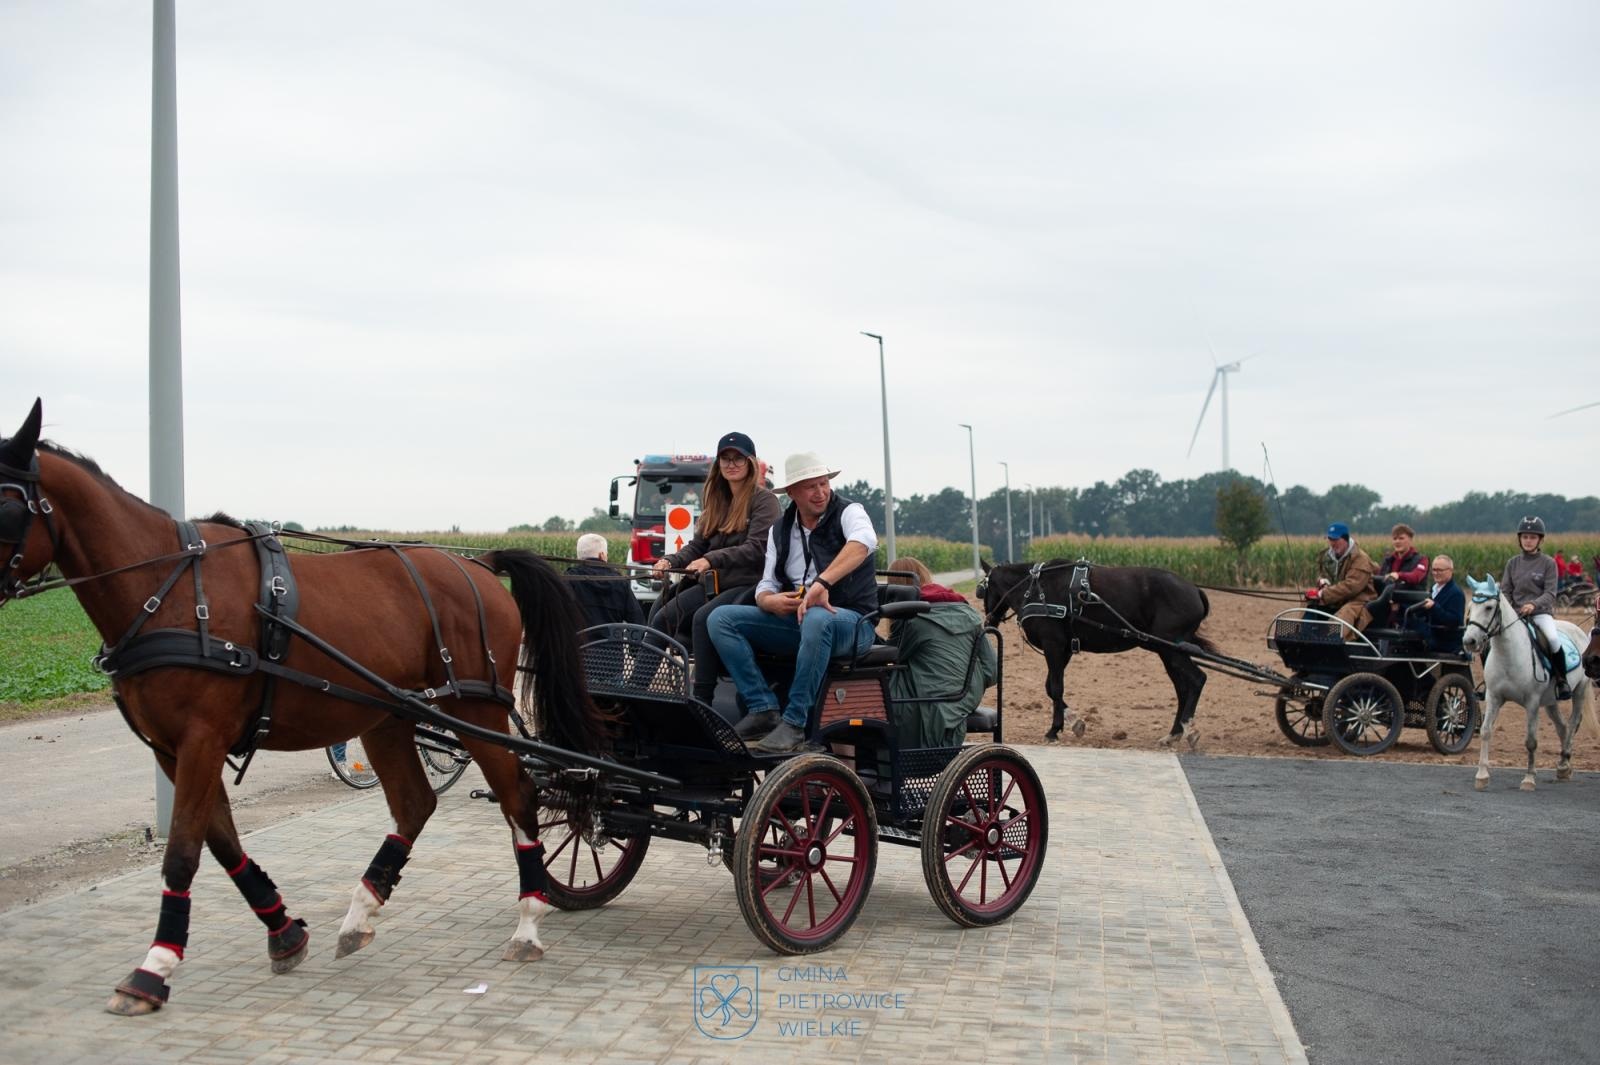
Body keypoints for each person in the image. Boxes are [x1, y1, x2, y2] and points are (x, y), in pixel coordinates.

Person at [706, 452, 880, 754]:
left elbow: (863, 542)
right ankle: (762, 708)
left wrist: (822, 584)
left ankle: (795, 723)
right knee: (720, 618)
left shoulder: (850, 512)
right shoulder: (780, 529)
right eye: (811, 486)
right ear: (792, 492)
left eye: (823, 483)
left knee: (817, 617)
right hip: (802, 622)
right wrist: (768, 601)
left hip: (853, 623)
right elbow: (767, 583)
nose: (820, 492)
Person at [646, 432, 781, 704]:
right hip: (713, 584)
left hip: (748, 584)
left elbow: (757, 548)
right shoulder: (716, 502)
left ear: (750, 463)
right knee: (662, 618)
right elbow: (697, 546)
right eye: (725, 459)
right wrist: (670, 561)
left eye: (738, 458)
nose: (731, 464)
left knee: (702, 618)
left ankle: (702, 700)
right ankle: (634, 689)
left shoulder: (765, 501)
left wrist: (711, 559)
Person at [882, 557, 998, 748]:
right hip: (964, 698)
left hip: (926, 701)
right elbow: (992, 670)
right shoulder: (969, 613)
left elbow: (889, 659)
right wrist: (965, 690)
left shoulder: (911, 619)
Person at [1501, 516, 1572, 699]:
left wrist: (1533, 604)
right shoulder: (1512, 563)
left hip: (1540, 614)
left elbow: (1550, 593)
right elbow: (1505, 591)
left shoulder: (1548, 563)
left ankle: (1561, 680)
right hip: (1515, 614)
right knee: (1492, 639)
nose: (1528, 541)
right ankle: (1490, 682)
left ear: (1540, 540)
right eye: (1525, 537)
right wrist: (1511, 609)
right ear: (1519, 539)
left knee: (1553, 639)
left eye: (1532, 537)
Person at [1307, 522, 1376, 637]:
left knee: (1346, 612)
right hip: (1338, 598)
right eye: (1330, 539)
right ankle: (1303, 634)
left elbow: (1351, 587)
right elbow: (1322, 573)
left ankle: (1330, 639)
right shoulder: (1327, 556)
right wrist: (1323, 582)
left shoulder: (1361, 559)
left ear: (1346, 539)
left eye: (1335, 539)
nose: (1332, 543)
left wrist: (1323, 594)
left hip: (1359, 600)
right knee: (1310, 602)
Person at [566, 532, 645, 631]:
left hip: (579, 640)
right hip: (612, 641)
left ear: (579, 556)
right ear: (602, 555)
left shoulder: (569, 579)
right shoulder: (619, 581)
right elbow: (637, 621)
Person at [1366, 523, 1430, 627]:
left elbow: (1416, 576)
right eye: (1395, 539)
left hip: (1410, 608)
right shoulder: (1388, 561)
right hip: (1386, 605)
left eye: (1401, 538)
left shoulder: (1421, 559)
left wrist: (1399, 575)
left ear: (1410, 539)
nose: (1397, 541)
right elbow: (1381, 580)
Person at [1416, 554, 1465, 654]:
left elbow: (1455, 620)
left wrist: (1434, 607)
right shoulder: (1433, 589)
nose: (1436, 573)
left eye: (1440, 570)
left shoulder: (1456, 593)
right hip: (1431, 638)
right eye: (1434, 570)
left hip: (1446, 644)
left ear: (1450, 571)